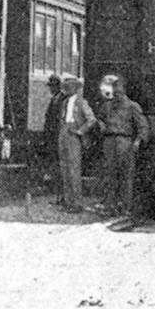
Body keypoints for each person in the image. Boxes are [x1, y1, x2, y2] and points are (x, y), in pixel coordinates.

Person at [97, 75, 149, 216]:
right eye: (115, 91)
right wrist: (101, 125)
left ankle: (126, 207)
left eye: (119, 91)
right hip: (109, 142)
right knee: (109, 175)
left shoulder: (133, 106)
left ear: (124, 91)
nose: (117, 94)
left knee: (126, 176)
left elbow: (143, 126)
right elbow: (99, 119)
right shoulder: (106, 106)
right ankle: (109, 206)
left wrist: (138, 141)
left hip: (125, 143)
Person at [58, 75, 97, 214]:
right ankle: (68, 202)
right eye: (66, 86)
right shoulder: (64, 102)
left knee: (74, 170)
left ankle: (77, 203)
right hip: (63, 134)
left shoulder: (81, 102)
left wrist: (81, 131)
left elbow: (91, 120)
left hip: (74, 136)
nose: (67, 89)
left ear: (75, 88)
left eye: (70, 86)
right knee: (64, 169)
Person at [42, 74, 67, 203]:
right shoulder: (54, 100)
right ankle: (59, 197)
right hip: (53, 138)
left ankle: (63, 197)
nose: (51, 89)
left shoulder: (63, 100)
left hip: (60, 137)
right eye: (50, 86)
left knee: (62, 168)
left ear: (58, 86)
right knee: (56, 167)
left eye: (52, 86)